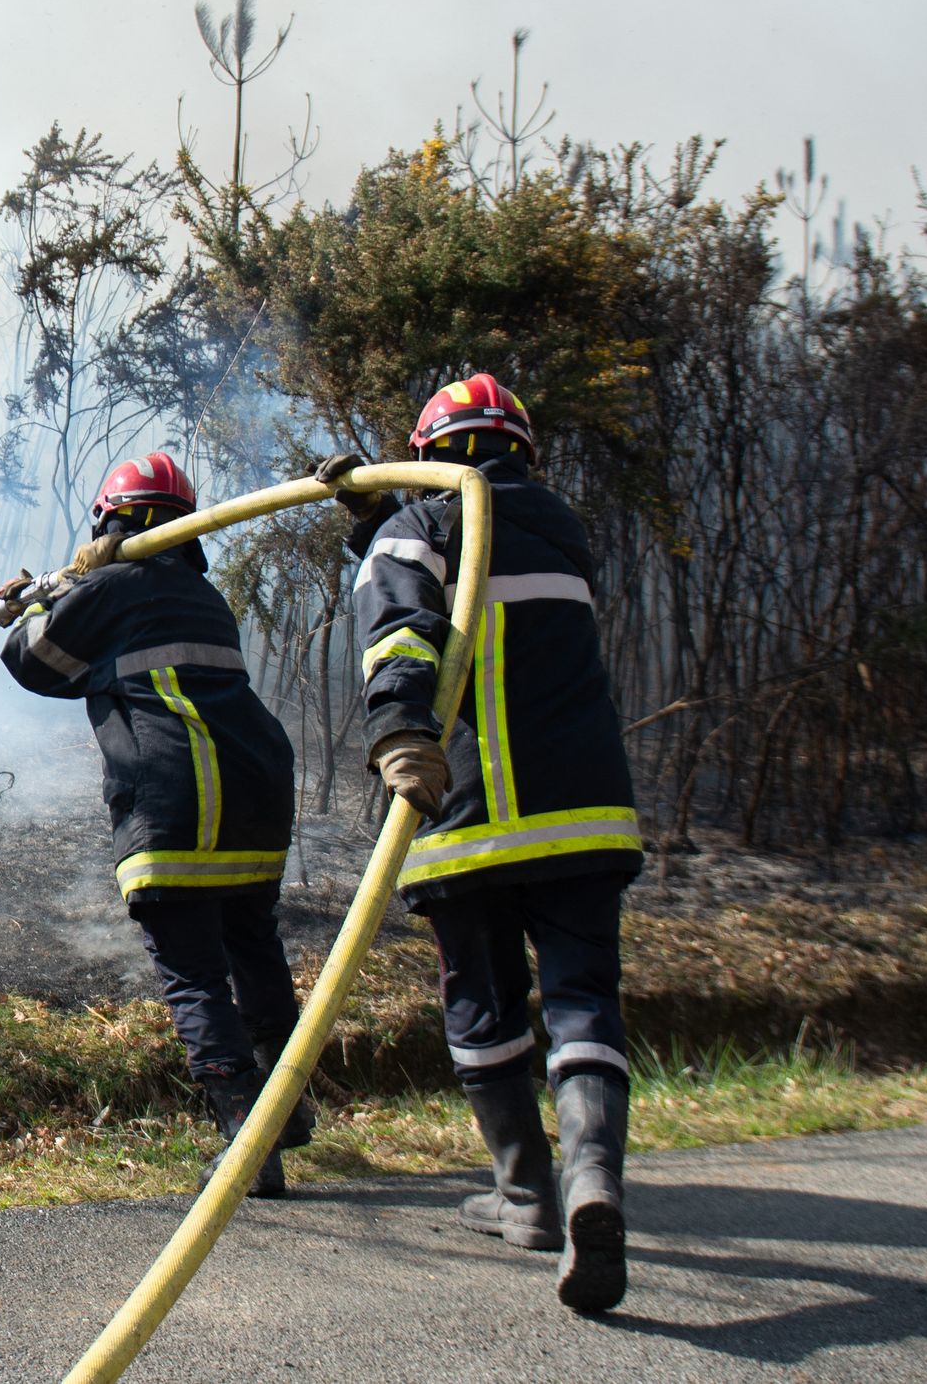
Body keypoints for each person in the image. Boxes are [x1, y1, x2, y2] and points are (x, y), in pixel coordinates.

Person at [322, 373, 641, 1314]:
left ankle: (525, 1197)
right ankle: (595, 1187)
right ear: (522, 451)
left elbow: (404, 630)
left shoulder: (415, 530)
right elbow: (476, 560)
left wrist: (400, 734)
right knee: (584, 1003)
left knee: (484, 1008)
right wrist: (379, 517)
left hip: (464, 818)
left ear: (429, 453)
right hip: (581, 815)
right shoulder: (562, 526)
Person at [0, 451, 314, 1198]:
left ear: (108, 523)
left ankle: (247, 1147)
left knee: (194, 973)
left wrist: (55, 592)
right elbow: (85, 671)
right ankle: (285, 1108)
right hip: (257, 795)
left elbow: (33, 660)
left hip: (177, 797)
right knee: (253, 948)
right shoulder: (204, 597)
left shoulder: (114, 586)